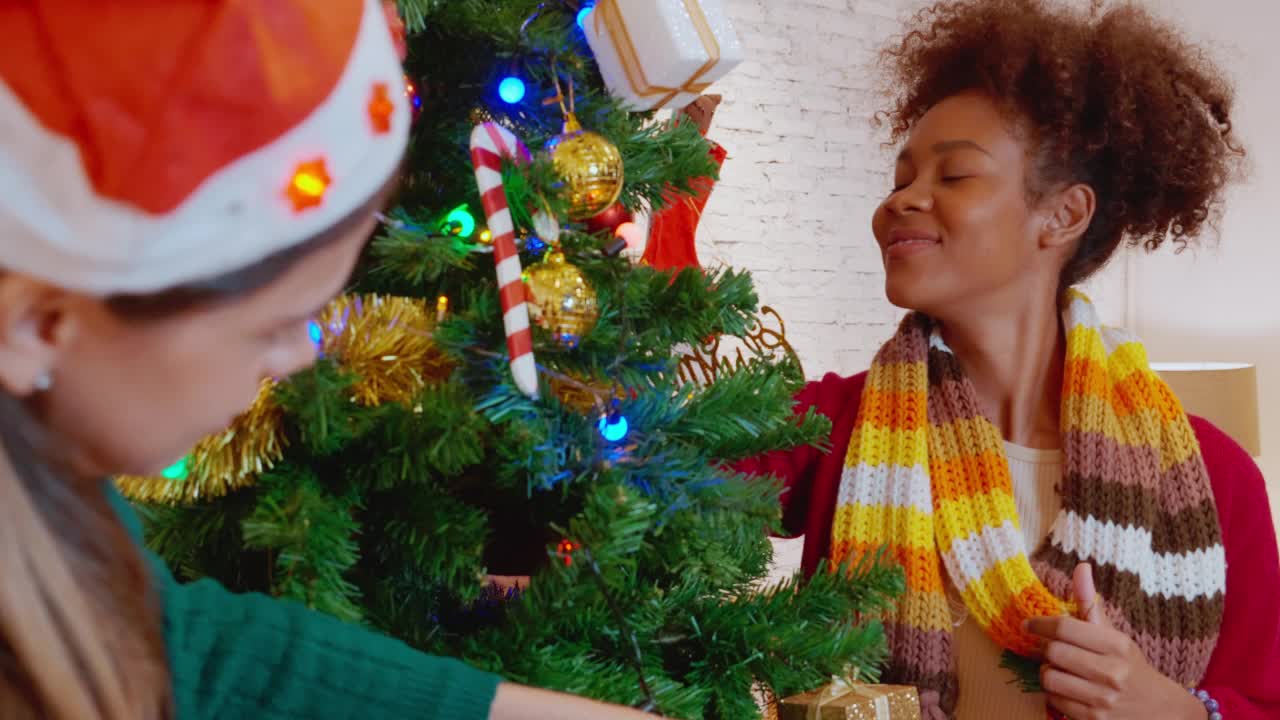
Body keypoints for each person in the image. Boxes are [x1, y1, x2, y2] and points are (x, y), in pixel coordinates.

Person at [0, 2, 658, 719]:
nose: (293, 359)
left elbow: (179, 646)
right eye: (272, 326)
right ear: (37, 324)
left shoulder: (48, 502)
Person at [738, 1, 1280, 718]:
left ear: (1062, 215)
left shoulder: (1214, 482)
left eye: (954, 176)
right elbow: (642, 482)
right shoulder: (835, 428)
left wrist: (1172, 709)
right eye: (901, 178)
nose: (903, 200)